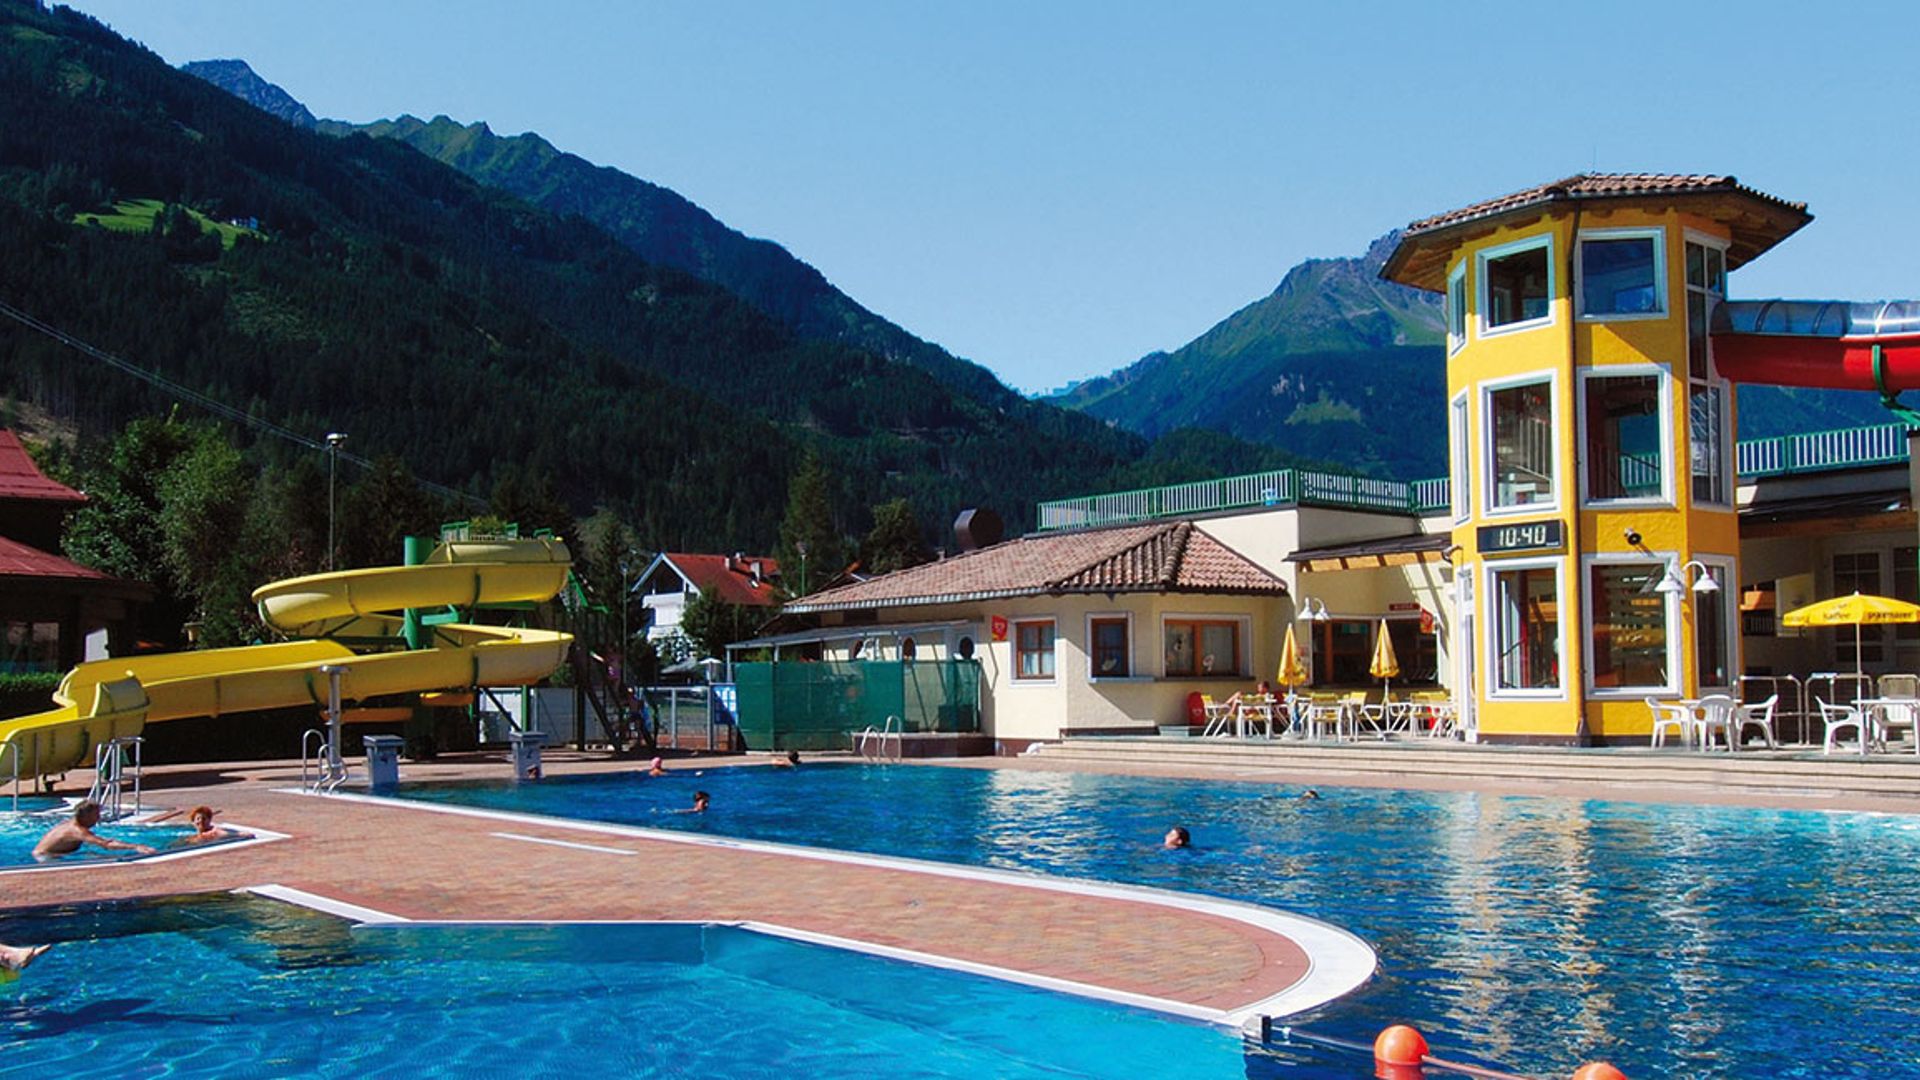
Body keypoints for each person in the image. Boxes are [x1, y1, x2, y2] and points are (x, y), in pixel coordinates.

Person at [32, 801, 155, 861]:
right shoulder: (77, 831)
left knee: (94, 856)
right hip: (46, 858)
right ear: (85, 816)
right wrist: (135, 846)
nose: (99, 818)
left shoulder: (69, 824)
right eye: (96, 815)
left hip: (47, 854)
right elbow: (107, 844)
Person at [152, 805, 251, 845]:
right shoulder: (193, 834)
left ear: (209, 820)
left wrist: (240, 835)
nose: (201, 821)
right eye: (198, 819)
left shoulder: (213, 831)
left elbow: (224, 834)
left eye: (204, 819)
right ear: (193, 822)